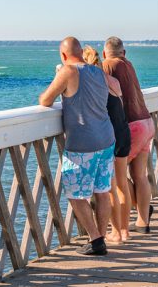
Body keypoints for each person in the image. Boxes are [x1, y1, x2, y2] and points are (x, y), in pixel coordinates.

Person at [39, 37, 115, 255]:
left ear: (63, 56)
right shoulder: (98, 72)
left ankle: (96, 238)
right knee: (102, 191)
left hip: (84, 143)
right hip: (106, 139)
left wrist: (58, 78)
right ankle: (100, 241)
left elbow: (45, 100)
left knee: (75, 194)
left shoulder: (68, 72)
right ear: (82, 52)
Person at [102, 36, 155, 233]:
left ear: (104, 53)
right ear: (124, 53)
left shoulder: (107, 65)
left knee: (119, 178)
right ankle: (143, 220)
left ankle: (120, 229)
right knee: (140, 175)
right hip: (147, 122)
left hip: (131, 125)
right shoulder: (129, 64)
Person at [82, 45, 131, 243]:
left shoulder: (94, 82)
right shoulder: (112, 81)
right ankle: (124, 230)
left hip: (109, 136)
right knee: (121, 186)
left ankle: (116, 232)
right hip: (124, 131)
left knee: (110, 189)